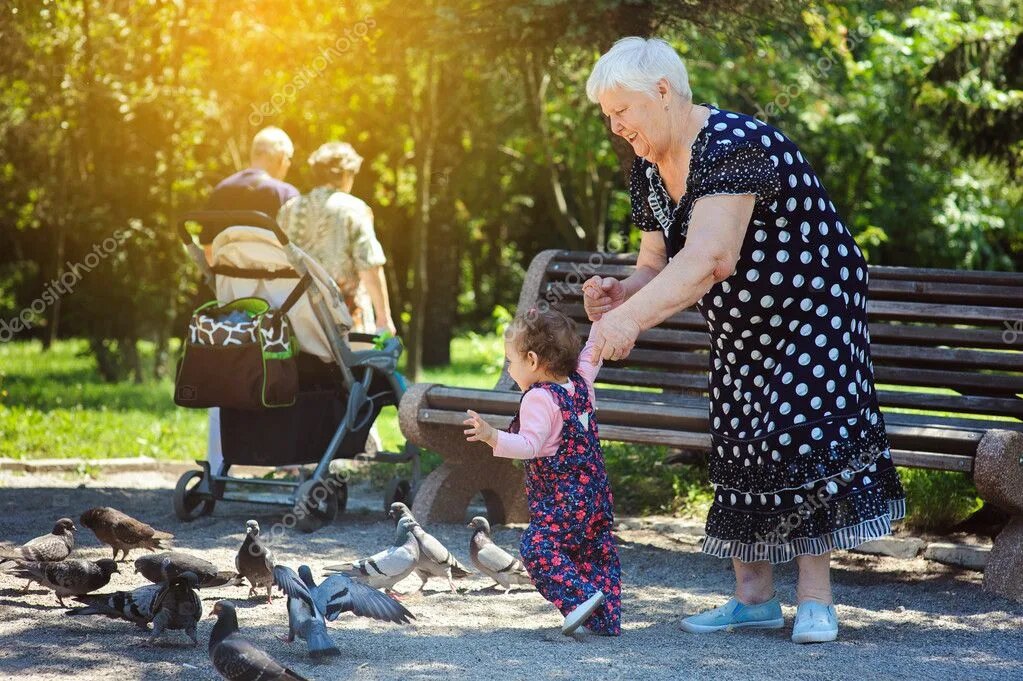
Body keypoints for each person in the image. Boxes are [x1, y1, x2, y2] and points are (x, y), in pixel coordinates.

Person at [583, 37, 905, 644]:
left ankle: (816, 601)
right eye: (606, 114)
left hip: (812, 311)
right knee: (738, 443)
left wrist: (628, 324)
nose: (614, 123)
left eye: (620, 108)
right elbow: (656, 262)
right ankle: (753, 599)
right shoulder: (649, 168)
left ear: (661, 91)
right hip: (740, 325)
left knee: (803, 434)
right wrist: (621, 294)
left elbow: (710, 257)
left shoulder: (734, 146)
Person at [463, 309, 622, 637]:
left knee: (538, 547)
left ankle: (581, 597)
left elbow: (529, 445)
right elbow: (593, 351)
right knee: (594, 551)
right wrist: (603, 317)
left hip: (562, 497)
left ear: (532, 360)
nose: (509, 368)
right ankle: (604, 619)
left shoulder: (538, 398)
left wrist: (492, 436)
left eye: (510, 361)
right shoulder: (580, 382)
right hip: (595, 493)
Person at [202, 126, 299, 478]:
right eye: (288, 159)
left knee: (225, 369)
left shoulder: (221, 191)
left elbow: (209, 252)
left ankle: (216, 463)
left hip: (232, 300)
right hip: (278, 303)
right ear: (277, 158)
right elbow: (297, 251)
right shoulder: (285, 193)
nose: (288, 166)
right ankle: (289, 457)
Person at [277, 141, 395, 336]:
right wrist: (384, 318)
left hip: (297, 321)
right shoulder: (354, 209)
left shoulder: (289, 209)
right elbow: (369, 267)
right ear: (346, 174)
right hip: (344, 323)